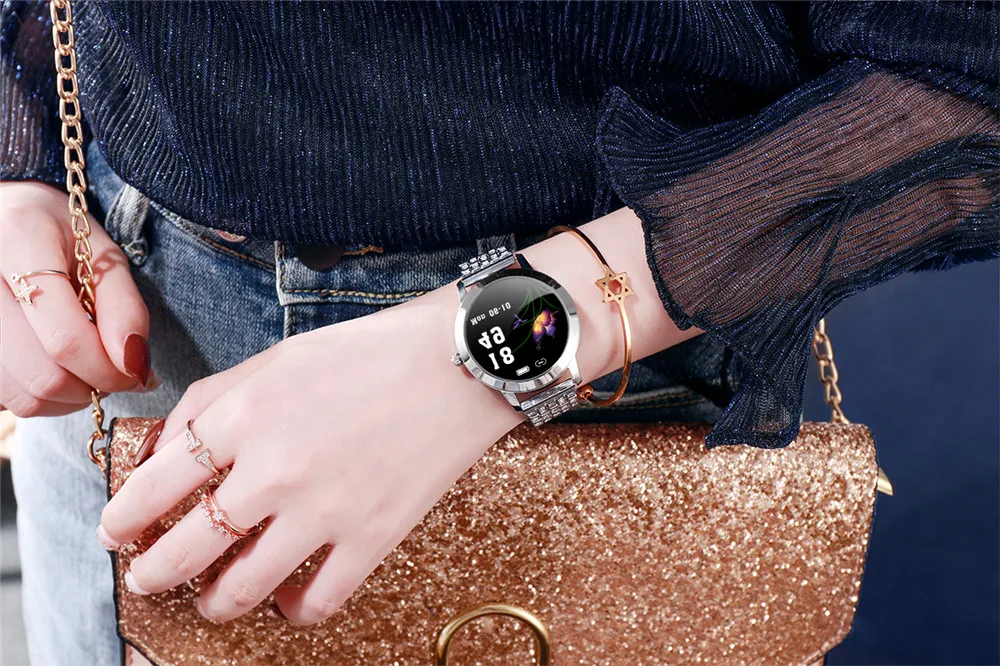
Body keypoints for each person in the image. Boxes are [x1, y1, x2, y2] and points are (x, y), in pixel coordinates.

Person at [1, 1, 997, 663]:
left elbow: (967, 82)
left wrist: (476, 355)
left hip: (612, 381)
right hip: (125, 314)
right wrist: (18, 158)